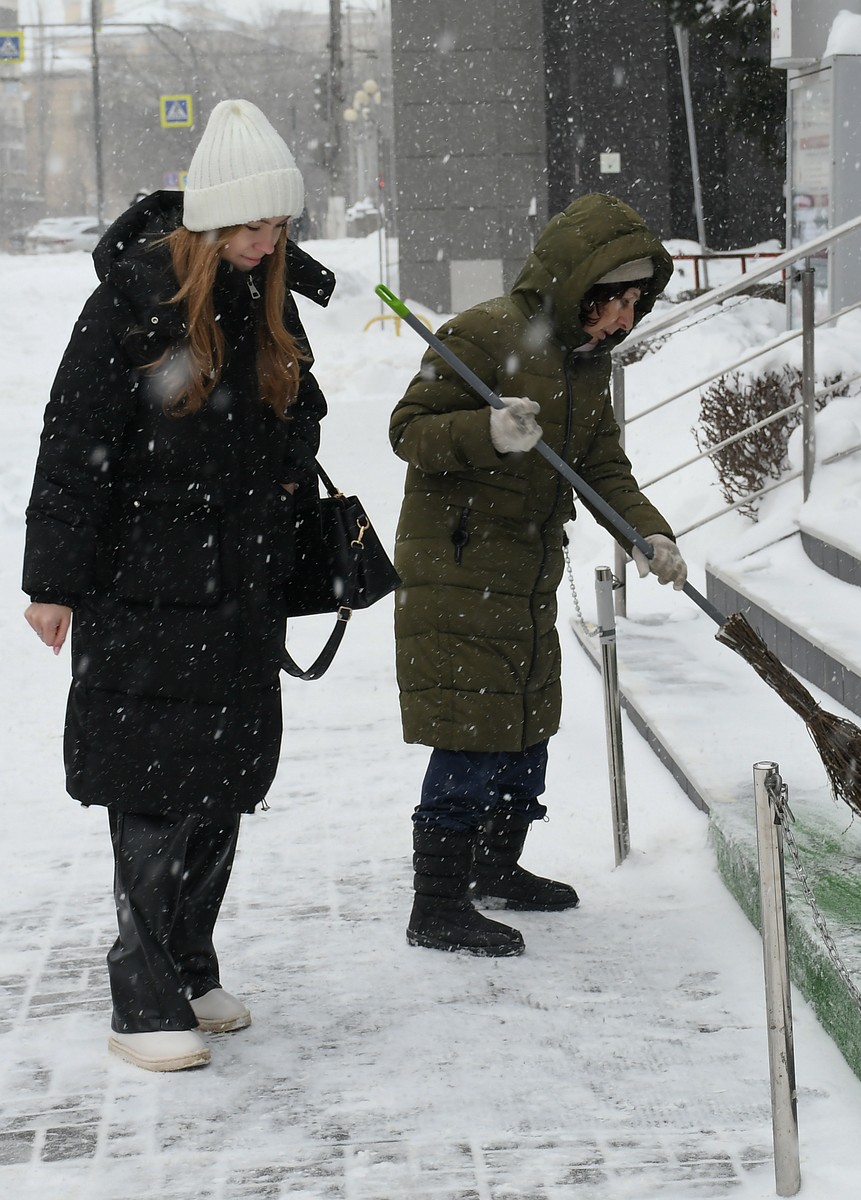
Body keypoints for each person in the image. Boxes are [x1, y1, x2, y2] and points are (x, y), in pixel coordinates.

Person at [22, 99, 335, 1072]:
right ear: (205, 225)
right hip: (146, 590)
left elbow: (300, 418)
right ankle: (142, 994)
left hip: (237, 590)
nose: (263, 242)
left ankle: (191, 968)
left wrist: (285, 482)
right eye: (246, 226)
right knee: (156, 790)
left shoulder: (273, 300)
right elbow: (75, 444)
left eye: (276, 226)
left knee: (226, 786)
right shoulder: (134, 300)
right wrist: (54, 583)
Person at [389, 193, 688, 958]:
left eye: (634, 302)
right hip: (459, 564)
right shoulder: (482, 336)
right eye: (612, 299)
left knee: (527, 725)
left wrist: (647, 531)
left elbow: (601, 467)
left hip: (525, 570)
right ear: (576, 284)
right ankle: (438, 903)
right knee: (471, 731)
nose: (623, 318)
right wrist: (486, 431)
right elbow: (409, 431)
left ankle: (496, 865)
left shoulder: (586, 365)